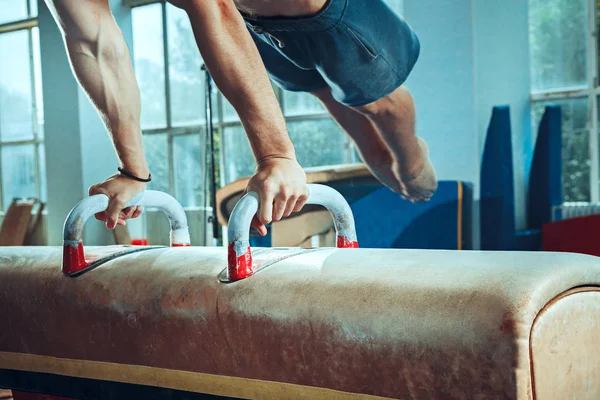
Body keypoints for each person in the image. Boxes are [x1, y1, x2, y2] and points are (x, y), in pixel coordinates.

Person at [44, 0, 437, 236]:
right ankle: (391, 159)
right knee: (337, 108)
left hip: (330, 13)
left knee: (379, 110)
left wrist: (277, 156)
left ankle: (413, 157)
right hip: (256, 27)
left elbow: (210, 5)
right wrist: (133, 171)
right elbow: (94, 43)